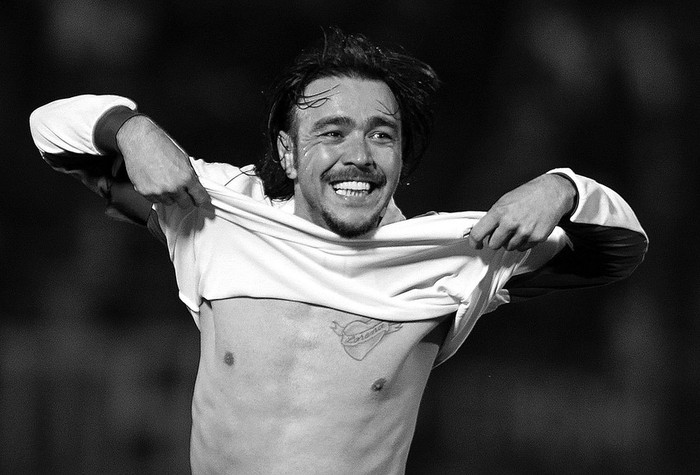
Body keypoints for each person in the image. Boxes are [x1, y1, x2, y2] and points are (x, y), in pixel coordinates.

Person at [29, 30, 647, 475]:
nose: (360, 153)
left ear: (401, 159)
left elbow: (618, 248)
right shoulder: (218, 210)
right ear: (290, 153)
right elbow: (48, 129)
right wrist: (133, 130)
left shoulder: (452, 254)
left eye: (382, 134)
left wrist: (563, 187)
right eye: (332, 132)